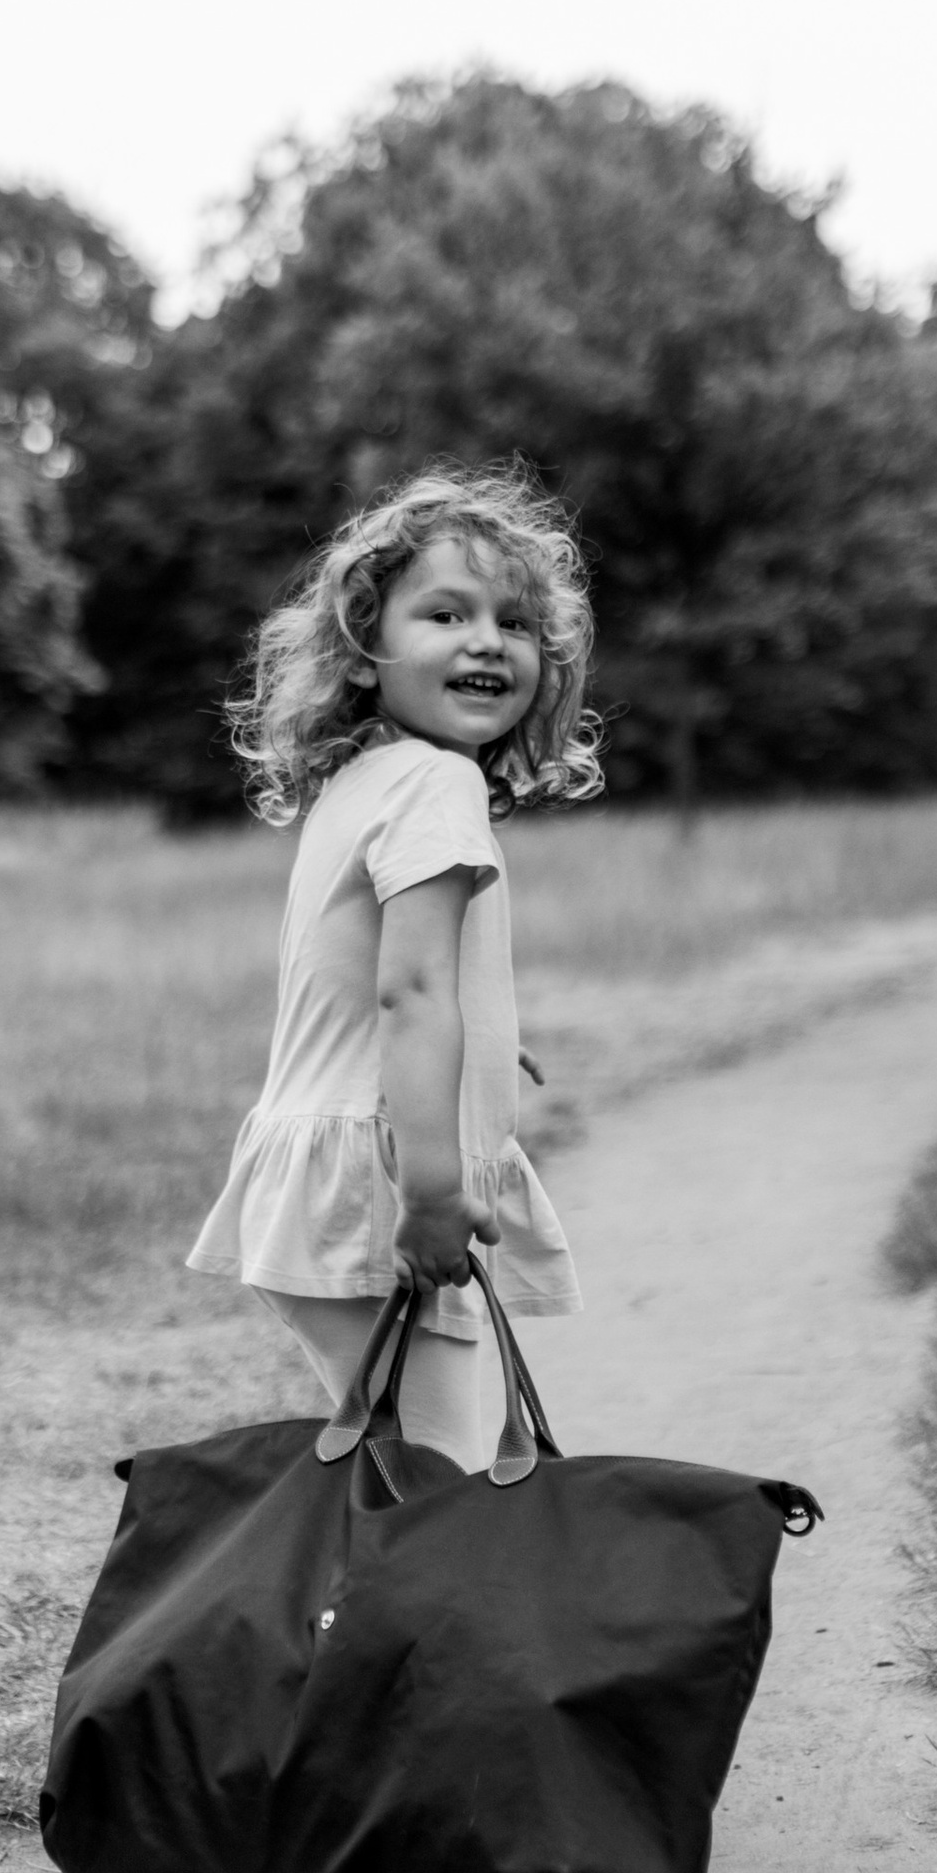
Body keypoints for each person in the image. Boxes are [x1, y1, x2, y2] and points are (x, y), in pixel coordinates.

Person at [185, 463, 603, 1466]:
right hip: (381, 1177)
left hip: (319, 1161)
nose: (485, 641)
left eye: (513, 622)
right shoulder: (434, 786)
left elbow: (386, 973)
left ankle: (368, 1614)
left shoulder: (368, 779)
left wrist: (494, 1036)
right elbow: (409, 990)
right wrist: (429, 1198)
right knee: (443, 1477)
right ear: (366, 653)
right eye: (446, 614)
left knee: (398, 1463)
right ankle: (384, 1622)